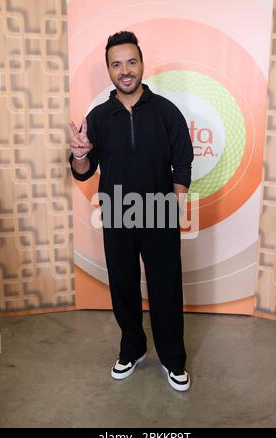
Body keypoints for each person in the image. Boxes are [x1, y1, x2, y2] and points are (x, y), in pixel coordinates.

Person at [69, 31, 194, 392]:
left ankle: (173, 359)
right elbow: (85, 170)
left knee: (165, 289)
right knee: (123, 286)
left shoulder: (166, 111)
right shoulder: (99, 117)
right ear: (109, 70)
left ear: (142, 64)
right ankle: (132, 349)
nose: (125, 70)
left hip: (159, 214)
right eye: (116, 64)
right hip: (117, 213)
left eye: (131, 62)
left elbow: (183, 161)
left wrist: (176, 200)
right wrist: (79, 154)